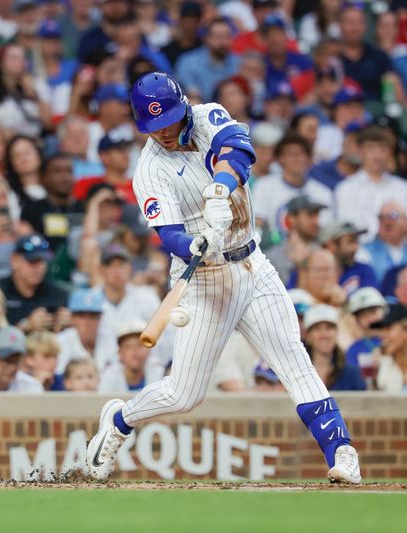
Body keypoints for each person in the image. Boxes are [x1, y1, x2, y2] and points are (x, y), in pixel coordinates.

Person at [86, 72, 362, 485]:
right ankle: (120, 419)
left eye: (169, 119)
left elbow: (239, 150)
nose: (162, 131)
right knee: (185, 395)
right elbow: (169, 233)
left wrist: (220, 190)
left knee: (294, 359)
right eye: (152, 125)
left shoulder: (206, 115)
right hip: (205, 279)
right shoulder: (148, 170)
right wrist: (193, 243)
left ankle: (341, 450)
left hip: (254, 265)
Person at [251, 133, 334, 242]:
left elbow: (326, 230)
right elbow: (257, 224)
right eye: (290, 154)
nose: (296, 159)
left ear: (309, 159)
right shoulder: (264, 186)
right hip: (274, 249)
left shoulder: (323, 192)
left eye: (300, 154)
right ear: (280, 159)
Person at [335, 127, 407, 241]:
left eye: (382, 149)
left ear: (390, 152)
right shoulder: (346, 188)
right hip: (360, 252)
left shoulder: (403, 188)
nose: (377, 156)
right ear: (361, 151)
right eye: (371, 149)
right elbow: (347, 228)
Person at [0, 234, 69, 329]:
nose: (40, 268)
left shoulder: (58, 295)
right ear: (14, 261)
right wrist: (25, 326)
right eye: (33, 261)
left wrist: (70, 323)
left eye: (43, 261)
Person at [0, 42, 49, 138]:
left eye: (22, 58)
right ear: (1, 62)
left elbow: (48, 123)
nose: (20, 62)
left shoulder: (38, 84)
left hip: (34, 140)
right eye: (14, 58)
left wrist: (36, 97)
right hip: (3, 141)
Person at [303, 304, 366, 391]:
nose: (324, 334)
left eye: (329, 328)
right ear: (308, 335)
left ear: (336, 332)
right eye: (317, 329)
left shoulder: (351, 373)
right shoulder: (297, 372)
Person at [175, 18, 240, 102]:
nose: (224, 42)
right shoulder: (188, 62)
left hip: (231, 112)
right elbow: (193, 95)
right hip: (201, 110)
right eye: (219, 37)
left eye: (227, 36)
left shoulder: (237, 62)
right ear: (207, 38)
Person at [265, 195, 325, 284]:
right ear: (292, 219)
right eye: (310, 215)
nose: (316, 221)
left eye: (317, 215)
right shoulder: (272, 257)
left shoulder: (323, 252)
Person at [317, 221, 376, 295]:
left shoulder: (363, 271)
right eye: (351, 241)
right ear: (331, 245)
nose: (356, 247)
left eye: (356, 241)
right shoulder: (311, 273)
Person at [345, 287, 387, 387]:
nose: (372, 319)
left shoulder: (398, 339)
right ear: (357, 321)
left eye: (373, 312)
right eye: (364, 315)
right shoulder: (353, 350)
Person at [98, 319, 150, 394]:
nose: (134, 351)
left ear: (149, 350)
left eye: (139, 345)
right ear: (120, 353)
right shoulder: (108, 378)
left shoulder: (160, 376)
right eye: (128, 347)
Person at [362, 202, 407, 285]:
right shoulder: (363, 251)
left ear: (405, 220)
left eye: (393, 215)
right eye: (381, 217)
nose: (387, 222)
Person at [370, 304, 407, 393]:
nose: (382, 335)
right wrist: (374, 377)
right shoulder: (383, 363)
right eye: (381, 330)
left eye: (388, 328)